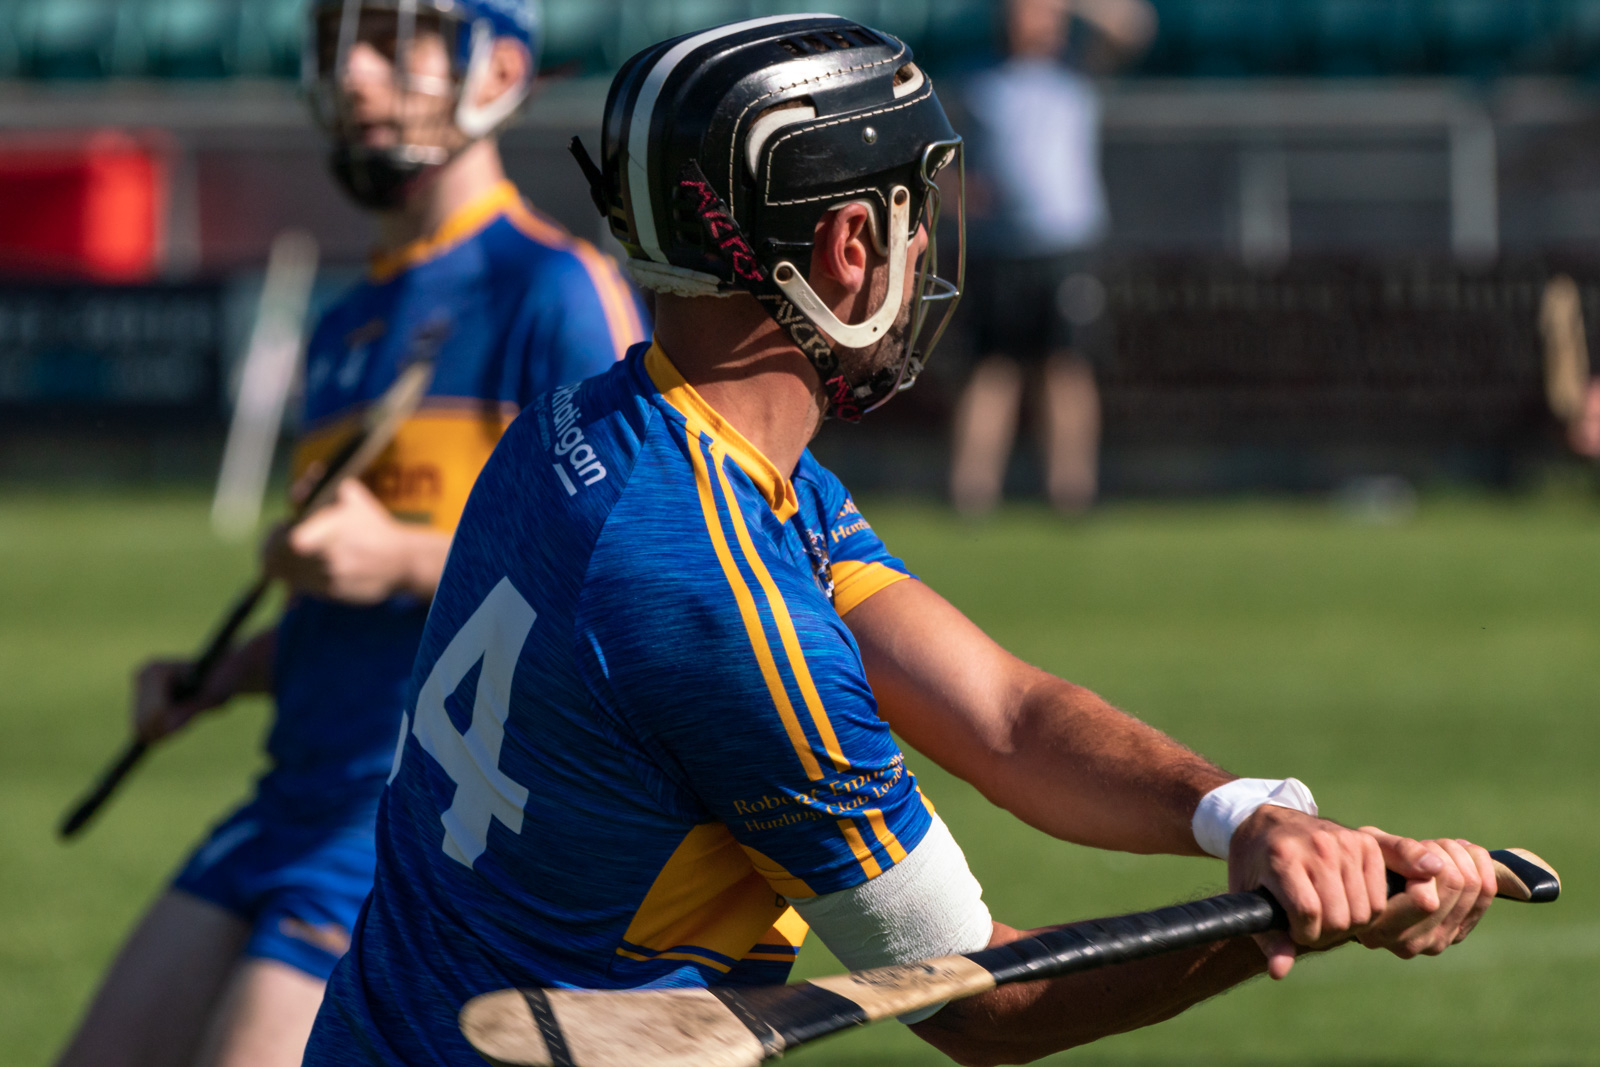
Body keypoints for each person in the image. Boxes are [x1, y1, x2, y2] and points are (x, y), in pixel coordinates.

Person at [303, 17, 1498, 1066]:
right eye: (911, 216)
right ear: (846, 248)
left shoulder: (610, 432)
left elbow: (1005, 714)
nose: (926, 247)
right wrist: (1287, 922)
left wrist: (1247, 818)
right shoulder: (713, 596)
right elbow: (983, 1000)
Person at [54, 3, 645, 1066]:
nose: (357, 75)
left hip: (417, 818)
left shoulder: (552, 289)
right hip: (289, 795)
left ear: (498, 68)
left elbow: (629, 567)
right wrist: (230, 672)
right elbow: (353, 612)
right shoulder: (341, 323)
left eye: (395, 39)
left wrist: (402, 556)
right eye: (340, 43)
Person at [949, 0, 1155, 517]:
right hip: (1000, 246)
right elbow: (940, 159)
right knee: (992, 369)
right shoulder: (979, 80)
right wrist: (959, 196)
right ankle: (972, 494)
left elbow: (1135, 27)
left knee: (1066, 367)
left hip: (1066, 246)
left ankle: (1071, 493)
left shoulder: (1077, 72)